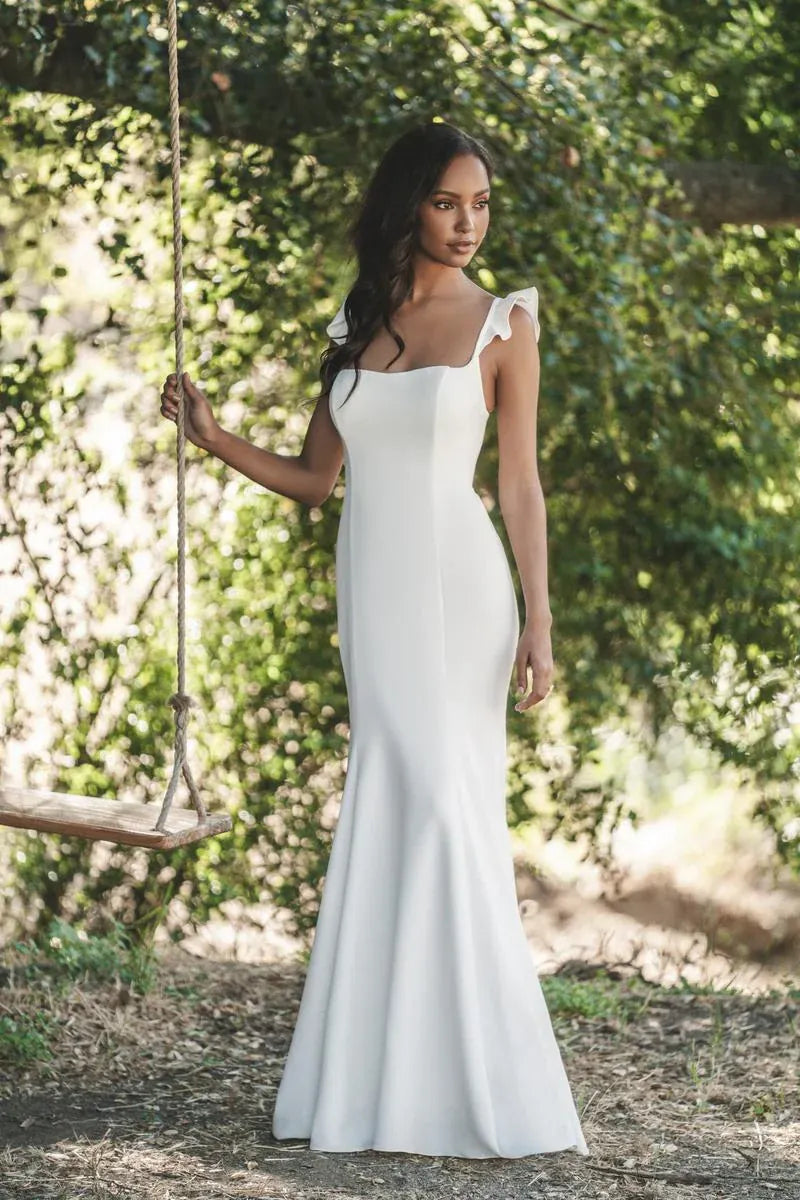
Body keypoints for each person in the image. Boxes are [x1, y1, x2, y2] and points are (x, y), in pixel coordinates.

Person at [159, 120, 590, 1160]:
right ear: (407, 205)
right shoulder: (359, 320)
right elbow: (317, 480)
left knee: (445, 808)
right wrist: (212, 438)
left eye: (480, 205)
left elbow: (519, 484)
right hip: (376, 594)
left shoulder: (504, 325)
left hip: (461, 590)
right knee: (392, 802)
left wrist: (538, 619)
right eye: (447, 203)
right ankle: (377, 1087)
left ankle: (479, 1089)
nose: (468, 224)